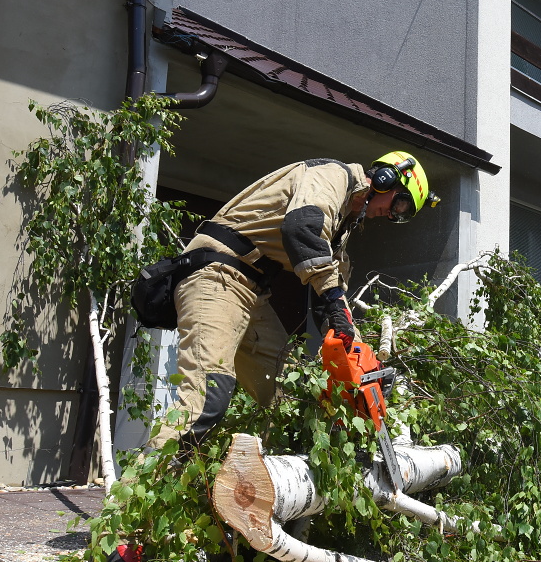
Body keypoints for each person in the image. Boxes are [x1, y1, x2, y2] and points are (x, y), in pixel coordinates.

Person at [150, 151, 439, 450]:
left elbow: (334, 295)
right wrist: (334, 300)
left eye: (400, 216)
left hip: (251, 294)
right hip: (217, 276)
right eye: (399, 204)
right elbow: (301, 230)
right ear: (385, 179)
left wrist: (366, 367)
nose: (391, 215)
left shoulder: (343, 224)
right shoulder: (331, 178)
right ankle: (143, 491)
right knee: (207, 398)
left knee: (291, 397)